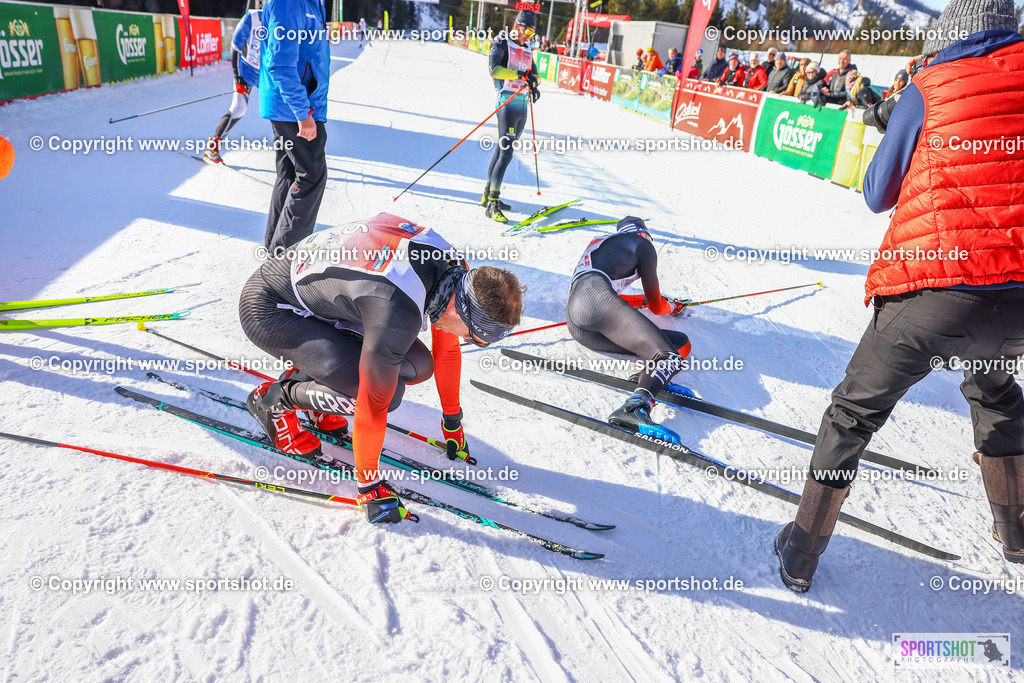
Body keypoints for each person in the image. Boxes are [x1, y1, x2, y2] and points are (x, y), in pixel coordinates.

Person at [775, 0, 1024, 593]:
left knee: (854, 412)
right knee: (995, 389)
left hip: (935, 288)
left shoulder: (931, 83)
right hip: (1017, 296)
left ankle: (801, 550)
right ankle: (1015, 532)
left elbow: (877, 192)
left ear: (953, 32)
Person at [239, 213, 524, 524]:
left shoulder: (460, 279)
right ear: (459, 310)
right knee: (381, 394)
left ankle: (317, 388)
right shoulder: (396, 309)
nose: (466, 341)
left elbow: (446, 352)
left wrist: (453, 421)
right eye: (473, 337)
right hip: (270, 309)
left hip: (328, 299)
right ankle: (273, 400)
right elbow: (372, 405)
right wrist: (370, 487)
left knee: (419, 366)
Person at [566, 217, 691, 444]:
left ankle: (649, 379)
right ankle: (635, 408)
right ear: (644, 233)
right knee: (669, 356)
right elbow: (656, 306)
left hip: (578, 321)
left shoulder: (601, 244)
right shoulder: (642, 244)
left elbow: (610, 294)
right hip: (596, 300)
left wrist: (647, 300)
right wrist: (672, 306)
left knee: (679, 343)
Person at [260, 0, 330, 257]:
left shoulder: (313, 3)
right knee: (311, 176)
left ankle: (273, 255)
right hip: (295, 108)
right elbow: (280, 63)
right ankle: (283, 261)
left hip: (296, 106)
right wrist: (303, 113)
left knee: (289, 175)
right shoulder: (288, 3)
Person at [483, 10, 540, 223]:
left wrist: (534, 85)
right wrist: (517, 75)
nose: (528, 36)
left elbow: (534, 74)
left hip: (522, 105)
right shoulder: (501, 41)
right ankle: (492, 203)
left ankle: (487, 193)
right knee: (506, 154)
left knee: (502, 150)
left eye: (532, 33)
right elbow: (494, 70)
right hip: (506, 103)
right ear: (517, 26)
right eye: (526, 30)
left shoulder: (528, 48)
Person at [205, 8, 262, 164]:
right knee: (239, 108)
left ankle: (292, 150)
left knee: (278, 109)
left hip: (266, 73)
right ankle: (213, 145)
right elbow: (235, 46)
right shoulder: (252, 17)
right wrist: (238, 78)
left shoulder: (283, 19)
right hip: (246, 70)